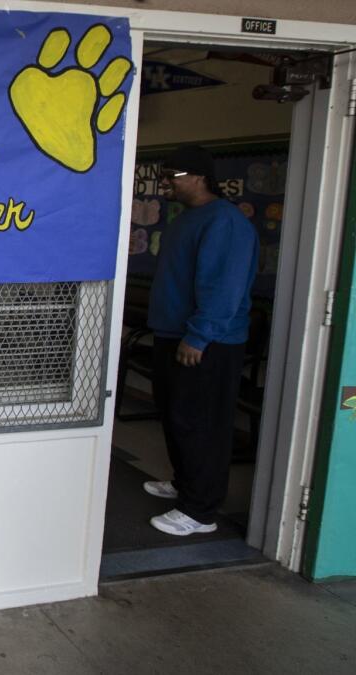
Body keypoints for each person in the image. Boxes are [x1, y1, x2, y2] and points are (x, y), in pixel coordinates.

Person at [144, 145, 259, 536]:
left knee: (202, 423)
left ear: (198, 177)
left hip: (206, 343)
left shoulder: (225, 222)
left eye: (171, 176)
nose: (164, 183)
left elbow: (223, 287)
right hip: (172, 334)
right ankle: (184, 483)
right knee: (176, 416)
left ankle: (200, 510)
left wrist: (200, 335)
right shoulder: (186, 219)